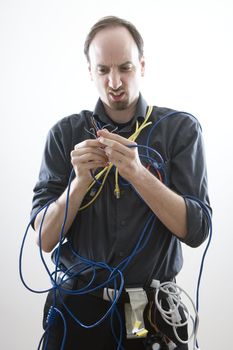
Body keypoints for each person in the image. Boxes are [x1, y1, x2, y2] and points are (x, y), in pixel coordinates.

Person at [31, 15, 211, 350]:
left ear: (142, 65)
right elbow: (44, 238)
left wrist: (138, 174)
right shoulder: (64, 134)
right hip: (77, 311)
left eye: (125, 68)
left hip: (151, 311)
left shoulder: (180, 130)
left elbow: (197, 231)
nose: (115, 81)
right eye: (103, 70)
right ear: (90, 71)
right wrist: (79, 182)